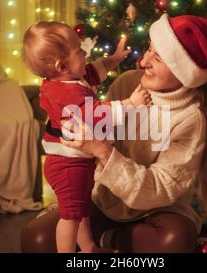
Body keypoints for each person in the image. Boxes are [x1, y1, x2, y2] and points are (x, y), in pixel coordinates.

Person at [21, 14, 207, 253]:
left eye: (157, 57)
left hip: (157, 209)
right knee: (36, 239)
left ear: (182, 70)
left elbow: (162, 188)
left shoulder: (192, 118)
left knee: (176, 239)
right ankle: (109, 241)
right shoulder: (128, 83)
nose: (143, 61)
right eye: (149, 50)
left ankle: (110, 240)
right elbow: (92, 117)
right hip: (106, 200)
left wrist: (103, 151)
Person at [22, 21, 151, 253]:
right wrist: (131, 104)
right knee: (70, 216)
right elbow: (97, 114)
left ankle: (89, 247)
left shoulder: (70, 78)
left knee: (81, 210)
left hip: (77, 160)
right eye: (80, 51)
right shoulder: (65, 93)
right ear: (62, 66)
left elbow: (92, 72)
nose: (85, 54)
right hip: (66, 164)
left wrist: (114, 59)